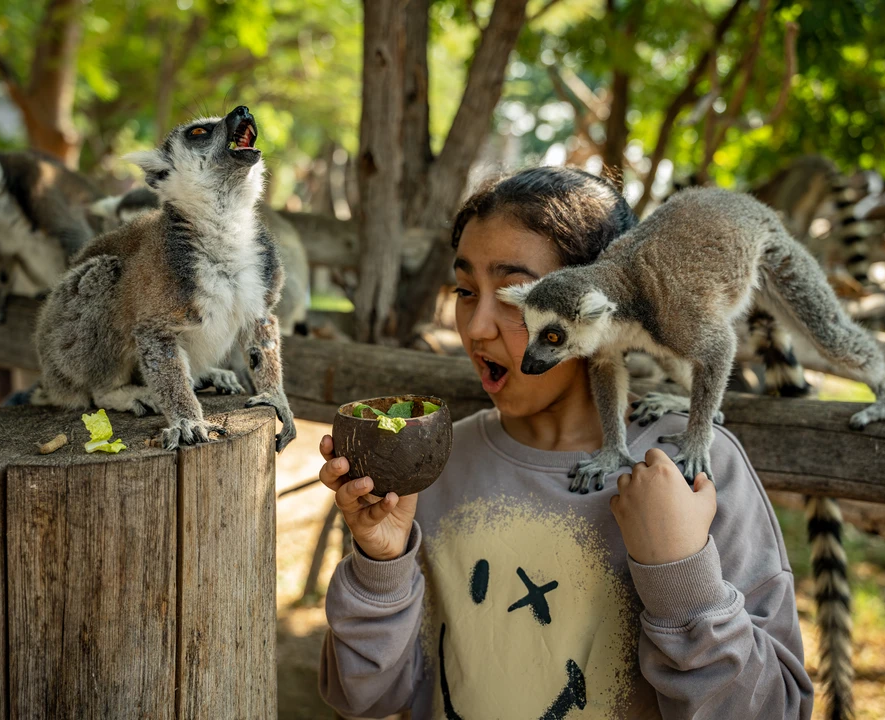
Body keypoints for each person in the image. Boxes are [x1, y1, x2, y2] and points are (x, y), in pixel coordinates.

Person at [317, 167, 814, 719]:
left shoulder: (697, 471)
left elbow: (777, 711)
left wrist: (683, 578)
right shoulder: (436, 467)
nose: (476, 327)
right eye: (464, 291)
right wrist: (379, 566)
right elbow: (362, 697)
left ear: (589, 306)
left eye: (512, 297)